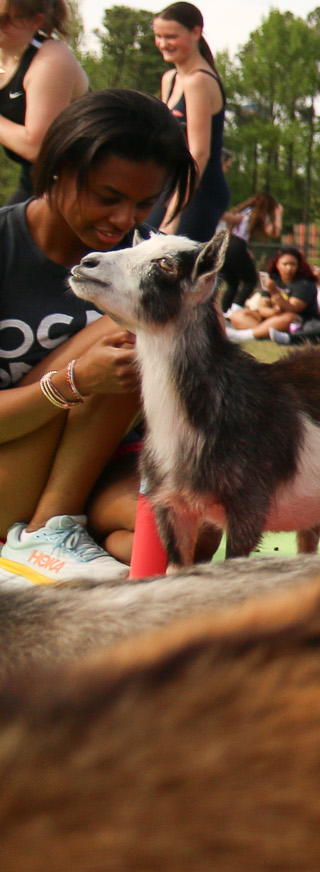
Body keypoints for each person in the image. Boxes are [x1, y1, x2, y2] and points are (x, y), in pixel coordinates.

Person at [0, 91, 192, 584]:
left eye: (144, 203)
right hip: (10, 462)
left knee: (185, 533)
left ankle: (61, 545)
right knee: (140, 322)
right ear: (58, 170)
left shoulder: (148, 259)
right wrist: (75, 382)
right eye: (107, 198)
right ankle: (47, 530)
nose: (124, 220)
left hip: (93, 466)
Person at [0, 0, 89, 206]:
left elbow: (37, 147)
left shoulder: (51, 60)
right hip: (35, 180)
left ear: (35, 21)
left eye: (3, 19)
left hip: (83, 185)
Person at [148, 1, 230, 240]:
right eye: (158, 36)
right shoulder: (170, 78)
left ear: (196, 33)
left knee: (169, 256)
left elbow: (199, 154)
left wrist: (173, 216)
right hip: (170, 184)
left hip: (198, 190)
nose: (163, 44)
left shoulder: (198, 81)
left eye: (171, 37)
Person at [225, 246, 318, 342]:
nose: (289, 268)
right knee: (238, 315)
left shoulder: (305, 284)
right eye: (285, 264)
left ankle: (246, 335)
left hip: (296, 321)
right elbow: (262, 308)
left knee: (289, 318)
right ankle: (262, 333)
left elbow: (293, 308)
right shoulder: (272, 280)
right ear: (277, 264)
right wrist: (273, 312)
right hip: (271, 318)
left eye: (293, 264)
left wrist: (274, 292)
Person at [217, 190, 283, 309]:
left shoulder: (244, 212)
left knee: (233, 283)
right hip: (237, 246)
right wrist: (278, 215)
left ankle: (225, 311)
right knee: (250, 280)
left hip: (226, 245)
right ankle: (236, 309)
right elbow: (274, 233)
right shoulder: (261, 215)